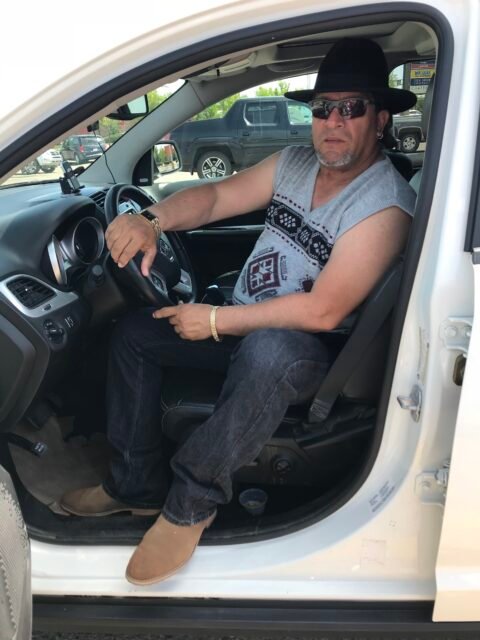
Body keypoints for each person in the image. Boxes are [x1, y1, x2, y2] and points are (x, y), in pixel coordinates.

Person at [61, 37, 417, 585]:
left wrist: (214, 320)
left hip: (310, 351)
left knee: (269, 351)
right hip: (242, 321)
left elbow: (324, 312)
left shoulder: (385, 204)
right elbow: (215, 198)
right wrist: (151, 221)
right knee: (135, 332)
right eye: (323, 108)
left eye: (352, 108)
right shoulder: (295, 163)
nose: (333, 121)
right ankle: (133, 486)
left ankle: (190, 505)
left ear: (381, 119)